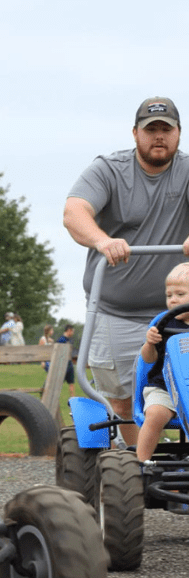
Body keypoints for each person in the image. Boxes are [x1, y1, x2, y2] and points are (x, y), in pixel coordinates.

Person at [64, 96, 189, 446]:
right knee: (121, 398)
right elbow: (74, 213)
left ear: (179, 134)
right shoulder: (108, 169)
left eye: (167, 129)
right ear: (136, 133)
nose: (159, 137)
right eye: (151, 130)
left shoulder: (186, 169)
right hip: (115, 309)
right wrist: (103, 241)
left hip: (179, 313)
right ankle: (137, 466)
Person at [136, 263, 189, 462]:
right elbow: (148, 359)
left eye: (180, 294)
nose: (173, 300)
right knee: (156, 414)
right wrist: (150, 343)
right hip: (165, 389)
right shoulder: (163, 324)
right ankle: (141, 464)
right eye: (169, 295)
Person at [57, 324, 76, 395]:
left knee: (71, 383)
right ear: (69, 330)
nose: (73, 333)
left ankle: (73, 401)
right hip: (62, 365)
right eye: (72, 331)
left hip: (69, 364)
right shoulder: (61, 340)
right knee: (58, 384)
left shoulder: (68, 340)